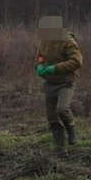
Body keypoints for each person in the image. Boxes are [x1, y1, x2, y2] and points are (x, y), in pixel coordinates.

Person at [35, 15, 83, 156]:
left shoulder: (68, 41)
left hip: (66, 82)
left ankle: (71, 129)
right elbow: (40, 56)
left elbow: (77, 61)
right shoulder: (44, 41)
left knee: (62, 109)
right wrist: (39, 66)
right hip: (50, 82)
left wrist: (55, 68)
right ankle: (60, 149)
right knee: (52, 119)